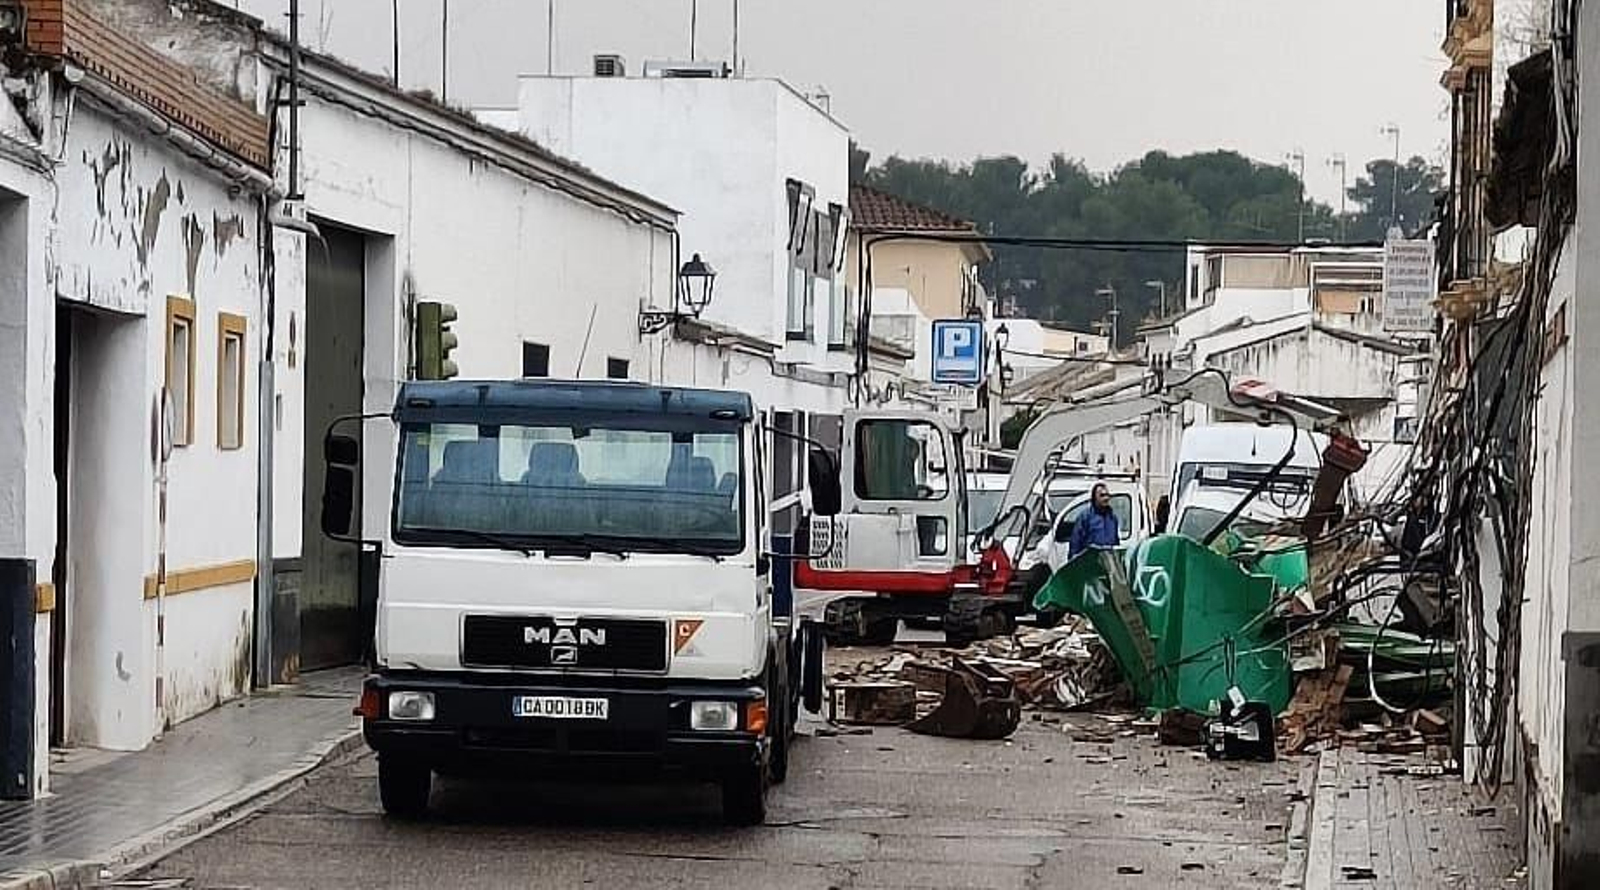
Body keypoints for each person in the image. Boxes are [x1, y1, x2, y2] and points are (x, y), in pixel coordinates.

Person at [1069, 483, 1121, 559]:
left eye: (1107, 495)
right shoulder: (1085, 517)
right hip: (1090, 560)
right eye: (1102, 495)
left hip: (1107, 560)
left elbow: (1116, 542)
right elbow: (1075, 543)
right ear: (1094, 498)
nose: (1106, 498)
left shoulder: (1112, 518)